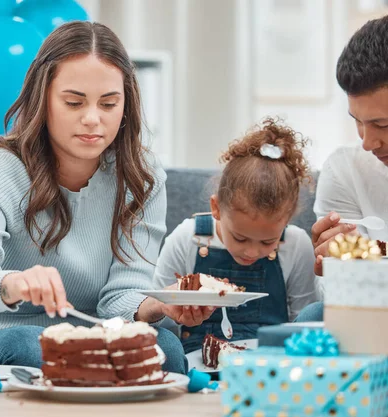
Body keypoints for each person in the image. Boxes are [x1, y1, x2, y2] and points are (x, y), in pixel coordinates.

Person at [0, 21, 192, 374]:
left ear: (126, 104)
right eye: (74, 102)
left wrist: (157, 306)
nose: (92, 119)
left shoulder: (143, 176)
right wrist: (14, 283)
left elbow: (119, 301)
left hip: (91, 338)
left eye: (108, 104)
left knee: (164, 344)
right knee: (30, 347)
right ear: (43, 98)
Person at [154, 118, 319, 353]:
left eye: (268, 242)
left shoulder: (296, 245)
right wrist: (175, 311)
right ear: (216, 208)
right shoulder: (187, 238)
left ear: (288, 219)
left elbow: (303, 322)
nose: (251, 252)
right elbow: (159, 314)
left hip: (272, 362)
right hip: (195, 360)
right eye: (240, 238)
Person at [300, 15, 388, 322]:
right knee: (314, 315)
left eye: (382, 125)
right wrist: (336, 268)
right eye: (357, 122)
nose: (367, 142)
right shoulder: (345, 170)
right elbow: (345, 302)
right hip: (373, 318)